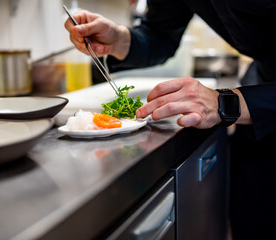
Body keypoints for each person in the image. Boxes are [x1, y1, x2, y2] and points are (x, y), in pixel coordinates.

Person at [64, 0, 276, 239]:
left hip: (261, 101)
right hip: (261, 108)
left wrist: (228, 103)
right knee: (255, 217)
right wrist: (120, 39)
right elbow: (160, 33)